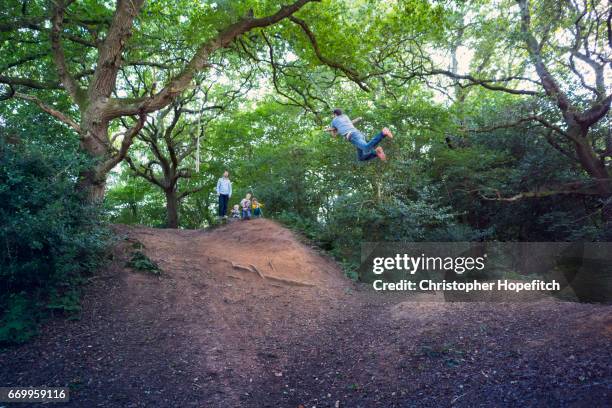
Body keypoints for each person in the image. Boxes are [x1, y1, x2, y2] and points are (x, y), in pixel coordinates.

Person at [326, 109, 393, 161]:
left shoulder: (334, 121)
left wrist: (331, 130)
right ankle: (376, 153)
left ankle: (383, 133)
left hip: (351, 136)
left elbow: (334, 135)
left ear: (335, 114)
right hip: (358, 133)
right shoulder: (345, 116)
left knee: (366, 148)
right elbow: (347, 125)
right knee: (361, 158)